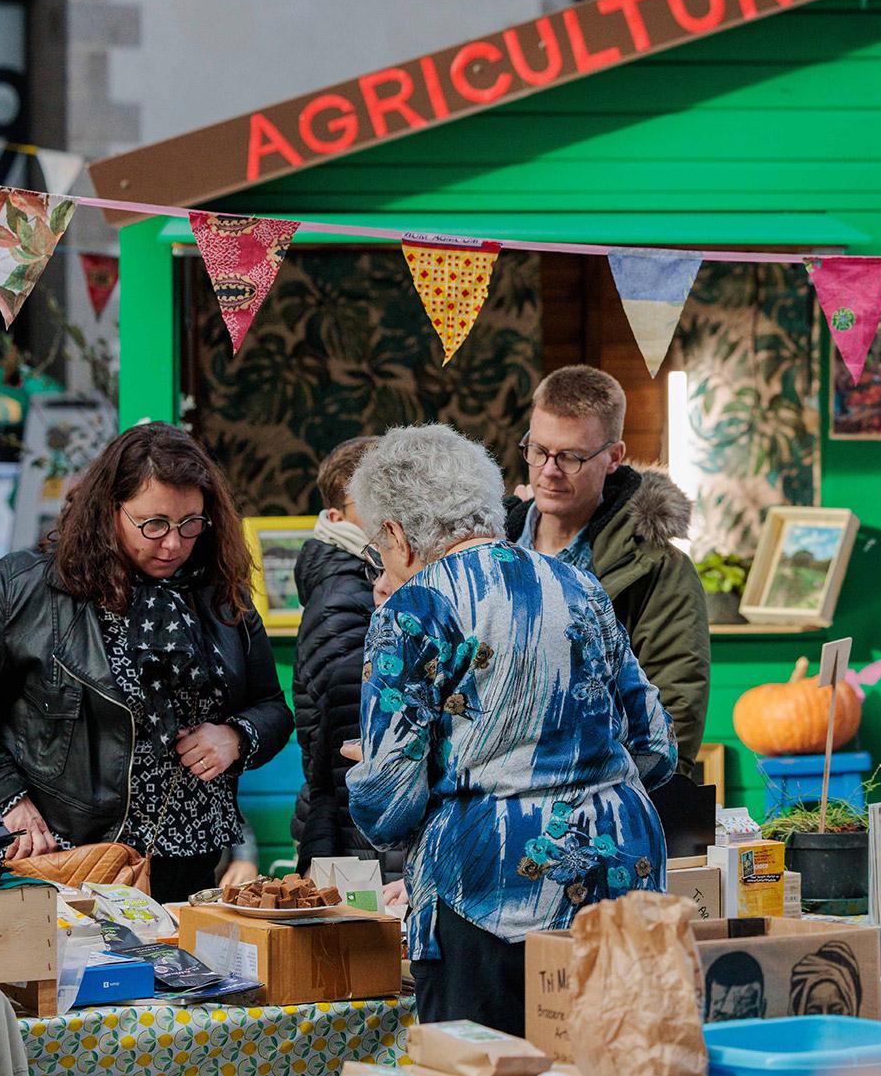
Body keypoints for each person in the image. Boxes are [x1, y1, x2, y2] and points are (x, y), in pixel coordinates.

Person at [345, 424, 676, 1030]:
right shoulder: (577, 582)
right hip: (623, 876)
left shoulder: (414, 606)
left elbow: (388, 804)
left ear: (396, 533)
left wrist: (378, 766)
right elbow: (654, 743)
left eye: (377, 548)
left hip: (491, 894)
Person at [0, 423, 292, 904]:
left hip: (192, 857)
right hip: (70, 853)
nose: (172, 544)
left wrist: (236, 736)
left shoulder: (220, 595)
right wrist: (8, 797)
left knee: (178, 977)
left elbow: (272, 706)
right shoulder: (29, 587)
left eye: (191, 524)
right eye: (153, 525)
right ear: (109, 510)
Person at [505, 365, 709, 775]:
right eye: (539, 450)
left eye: (571, 457)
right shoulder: (490, 549)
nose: (548, 471)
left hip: (603, 807)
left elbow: (674, 719)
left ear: (613, 457)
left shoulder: (658, 569)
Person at [290, 435, 393, 877]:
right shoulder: (344, 590)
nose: (386, 515)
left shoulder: (362, 574)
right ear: (336, 517)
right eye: (367, 503)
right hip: (356, 829)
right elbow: (345, 733)